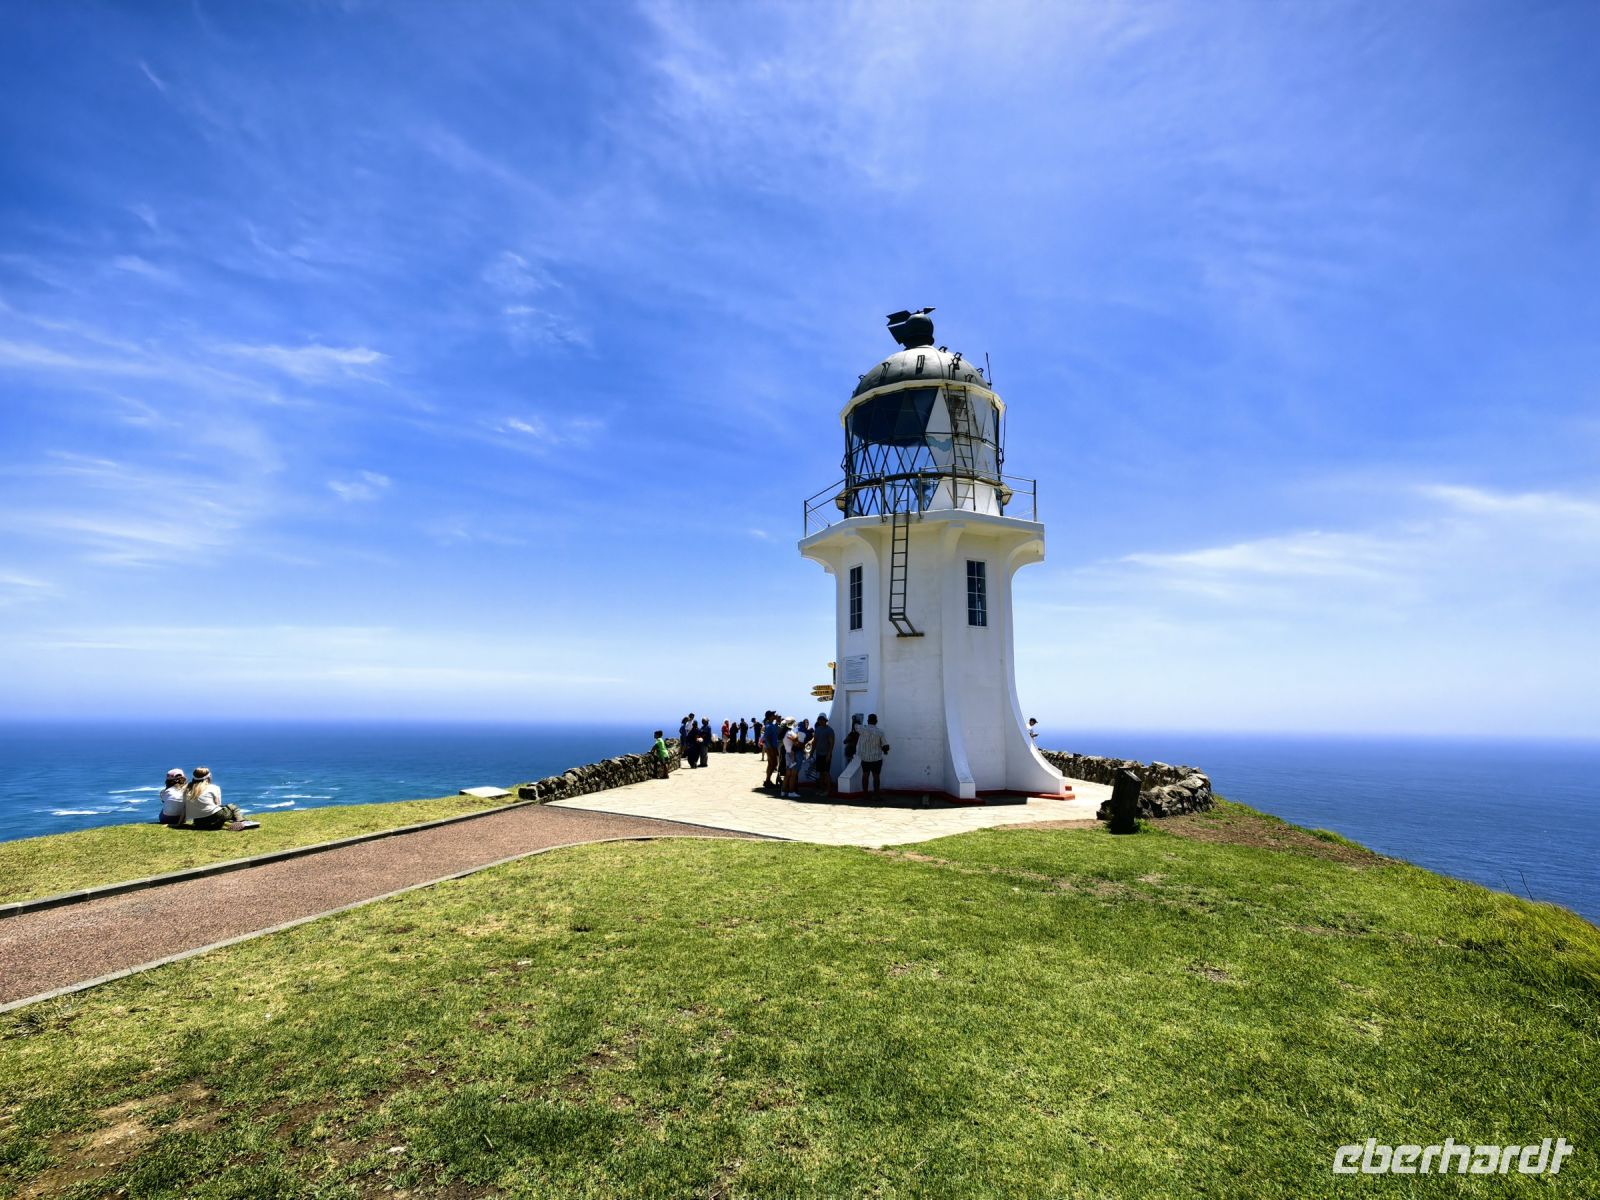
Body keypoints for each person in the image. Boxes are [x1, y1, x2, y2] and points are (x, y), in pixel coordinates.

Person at [182, 766, 242, 830]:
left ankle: (224, 823)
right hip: (215, 816)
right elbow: (218, 804)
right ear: (208, 777)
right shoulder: (214, 787)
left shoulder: (186, 788)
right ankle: (241, 821)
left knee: (213, 816)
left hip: (198, 821)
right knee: (232, 807)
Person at [856, 714, 889, 799]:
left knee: (865, 776)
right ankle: (876, 795)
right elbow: (885, 745)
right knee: (876, 777)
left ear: (868, 721)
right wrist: (885, 750)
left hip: (865, 758)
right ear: (876, 721)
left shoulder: (862, 729)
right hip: (876, 759)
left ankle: (865, 794)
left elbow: (855, 726)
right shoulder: (880, 732)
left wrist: (856, 720)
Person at [810, 715, 836, 797]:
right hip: (819, 754)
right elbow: (815, 742)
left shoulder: (829, 730)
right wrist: (811, 752)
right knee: (820, 773)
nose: (821, 721)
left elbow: (831, 744)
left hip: (826, 755)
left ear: (826, 720)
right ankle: (822, 790)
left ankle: (828, 790)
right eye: (819, 720)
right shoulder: (817, 730)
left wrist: (829, 754)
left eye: (822, 720)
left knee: (826, 773)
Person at [781, 721, 803, 798]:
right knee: (793, 775)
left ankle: (783, 791)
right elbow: (796, 742)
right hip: (792, 755)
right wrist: (797, 738)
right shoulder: (790, 733)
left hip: (787, 754)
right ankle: (791, 792)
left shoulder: (785, 733)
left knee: (787, 775)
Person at [763, 711, 781, 787]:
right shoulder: (768, 726)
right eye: (773, 715)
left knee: (771, 764)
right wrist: (772, 748)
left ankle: (767, 780)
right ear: (770, 716)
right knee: (774, 764)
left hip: (772, 747)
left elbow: (776, 731)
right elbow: (767, 737)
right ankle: (767, 781)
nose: (774, 715)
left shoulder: (771, 725)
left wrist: (777, 722)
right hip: (771, 747)